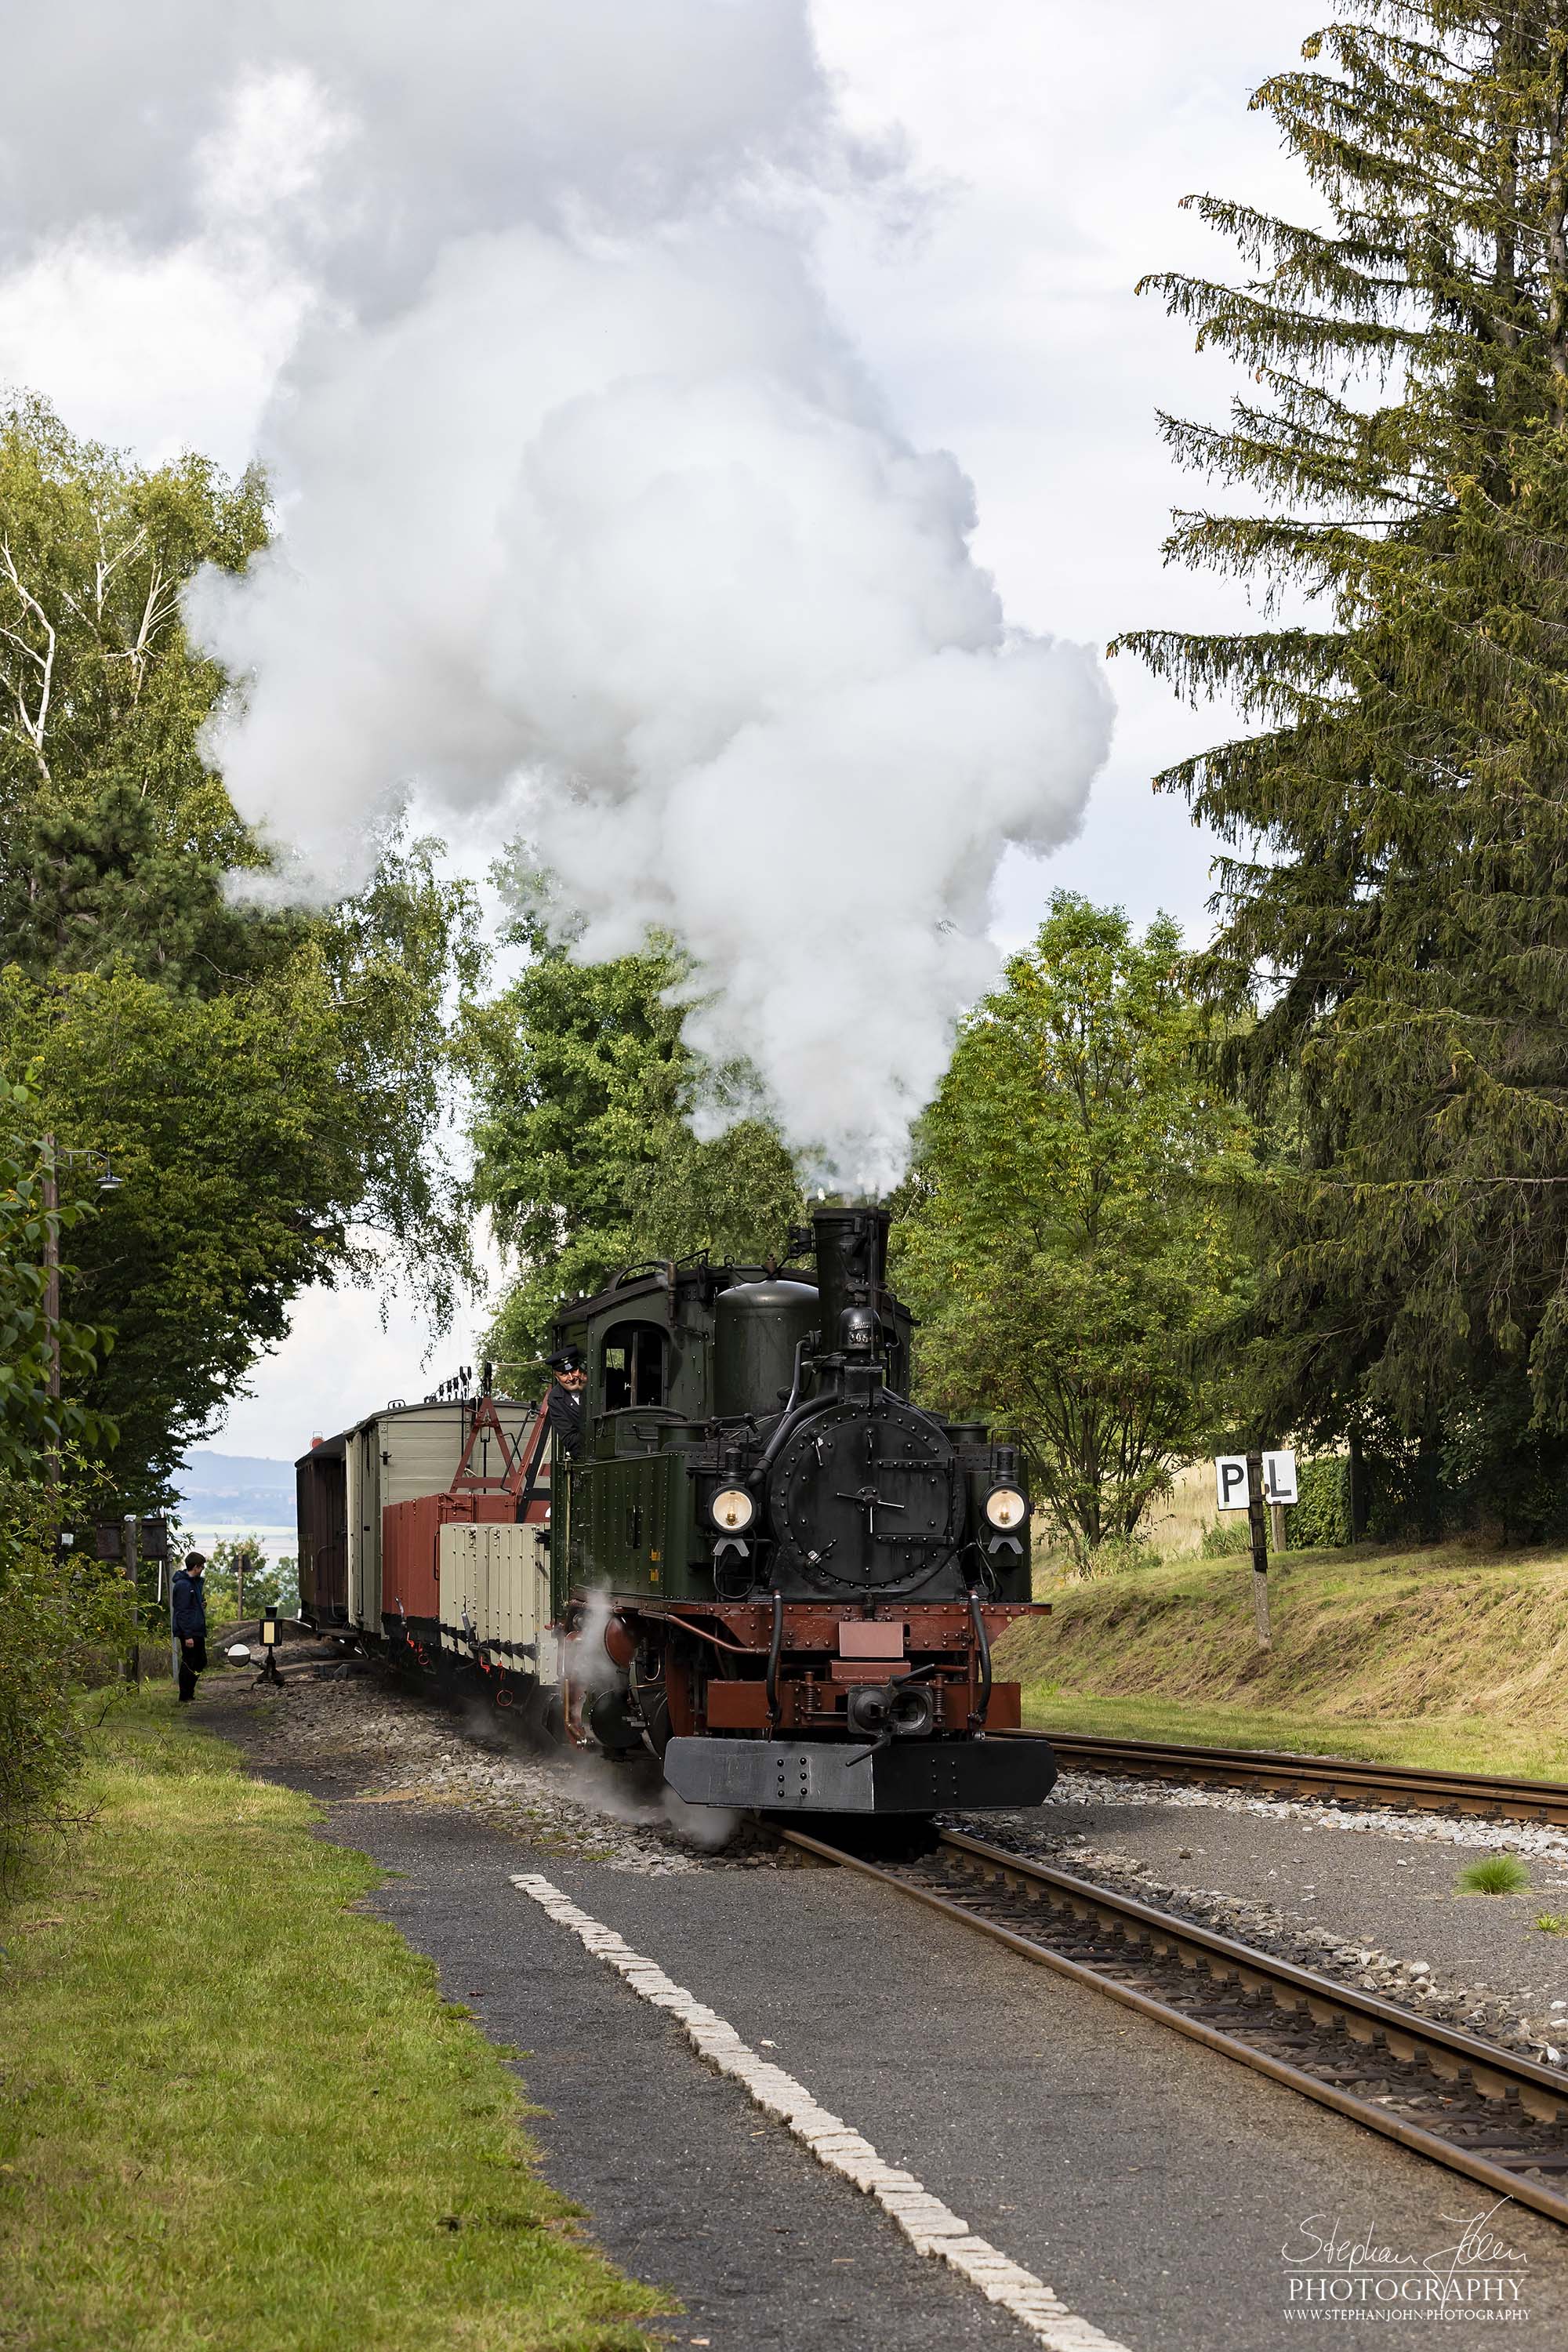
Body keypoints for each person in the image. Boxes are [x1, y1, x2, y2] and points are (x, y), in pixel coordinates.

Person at [172, 1550, 209, 1703]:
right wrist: (187, 1635)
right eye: (201, 1567)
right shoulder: (183, 1585)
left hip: (196, 1628)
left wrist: (201, 1605)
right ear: (195, 1567)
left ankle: (189, 1692)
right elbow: (182, 1611)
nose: (202, 1570)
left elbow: (190, 1606)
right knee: (190, 1661)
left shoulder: (194, 1584)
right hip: (189, 1630)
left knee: (200, 1661)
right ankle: (184, 1695)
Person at [543, 1347, 587, 1460]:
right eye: (564, 1374)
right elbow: (570, 1439)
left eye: (573, 1370)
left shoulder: (597, 1384)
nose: (571, 1378)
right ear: (556, 1377)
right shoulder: (555, 1399)